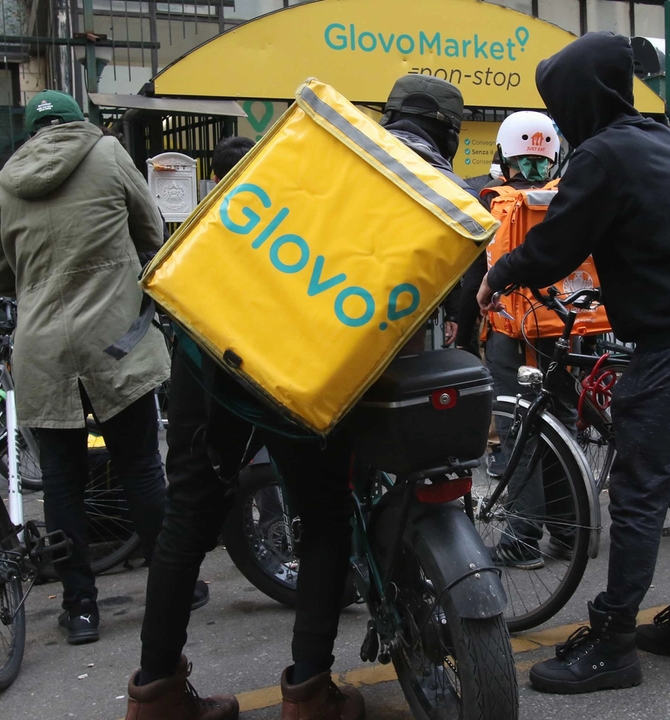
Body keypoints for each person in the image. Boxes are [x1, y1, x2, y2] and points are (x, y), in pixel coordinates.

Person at [122, 75, 474, 720]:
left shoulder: (331, 147)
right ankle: (309, 693)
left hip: (214, 344)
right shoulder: (436, 196)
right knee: (324, 515)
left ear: (388, 115)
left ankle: (156, 694)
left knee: (187, 517)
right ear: (449, 135)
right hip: (305, 367)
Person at [477, 32, 670, 695]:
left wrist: (499, 274)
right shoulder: (662, 142)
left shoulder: (603, 154)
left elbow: (560, 241)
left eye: (559, 99)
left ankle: (613, 640)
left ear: (580, 95)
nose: (560, 114)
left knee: (635, 490)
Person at [0, 90, 195, 647]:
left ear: (30, 132)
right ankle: (176, 588)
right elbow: (152, 234)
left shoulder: (2, 185)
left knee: (63, 483)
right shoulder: (110, 154)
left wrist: (36, 282)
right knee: (141, 467)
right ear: (80, 121)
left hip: (42, 351)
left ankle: (80, 610)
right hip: (115, 342)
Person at [478, 110, 577, 569]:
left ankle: (520, 538)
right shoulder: (572, 199)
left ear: (502, 155)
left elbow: (473, 274)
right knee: (563, 423)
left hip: (510, 331)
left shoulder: (494, 203)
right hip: (568, 327)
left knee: (520, 430)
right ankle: (569, 530)